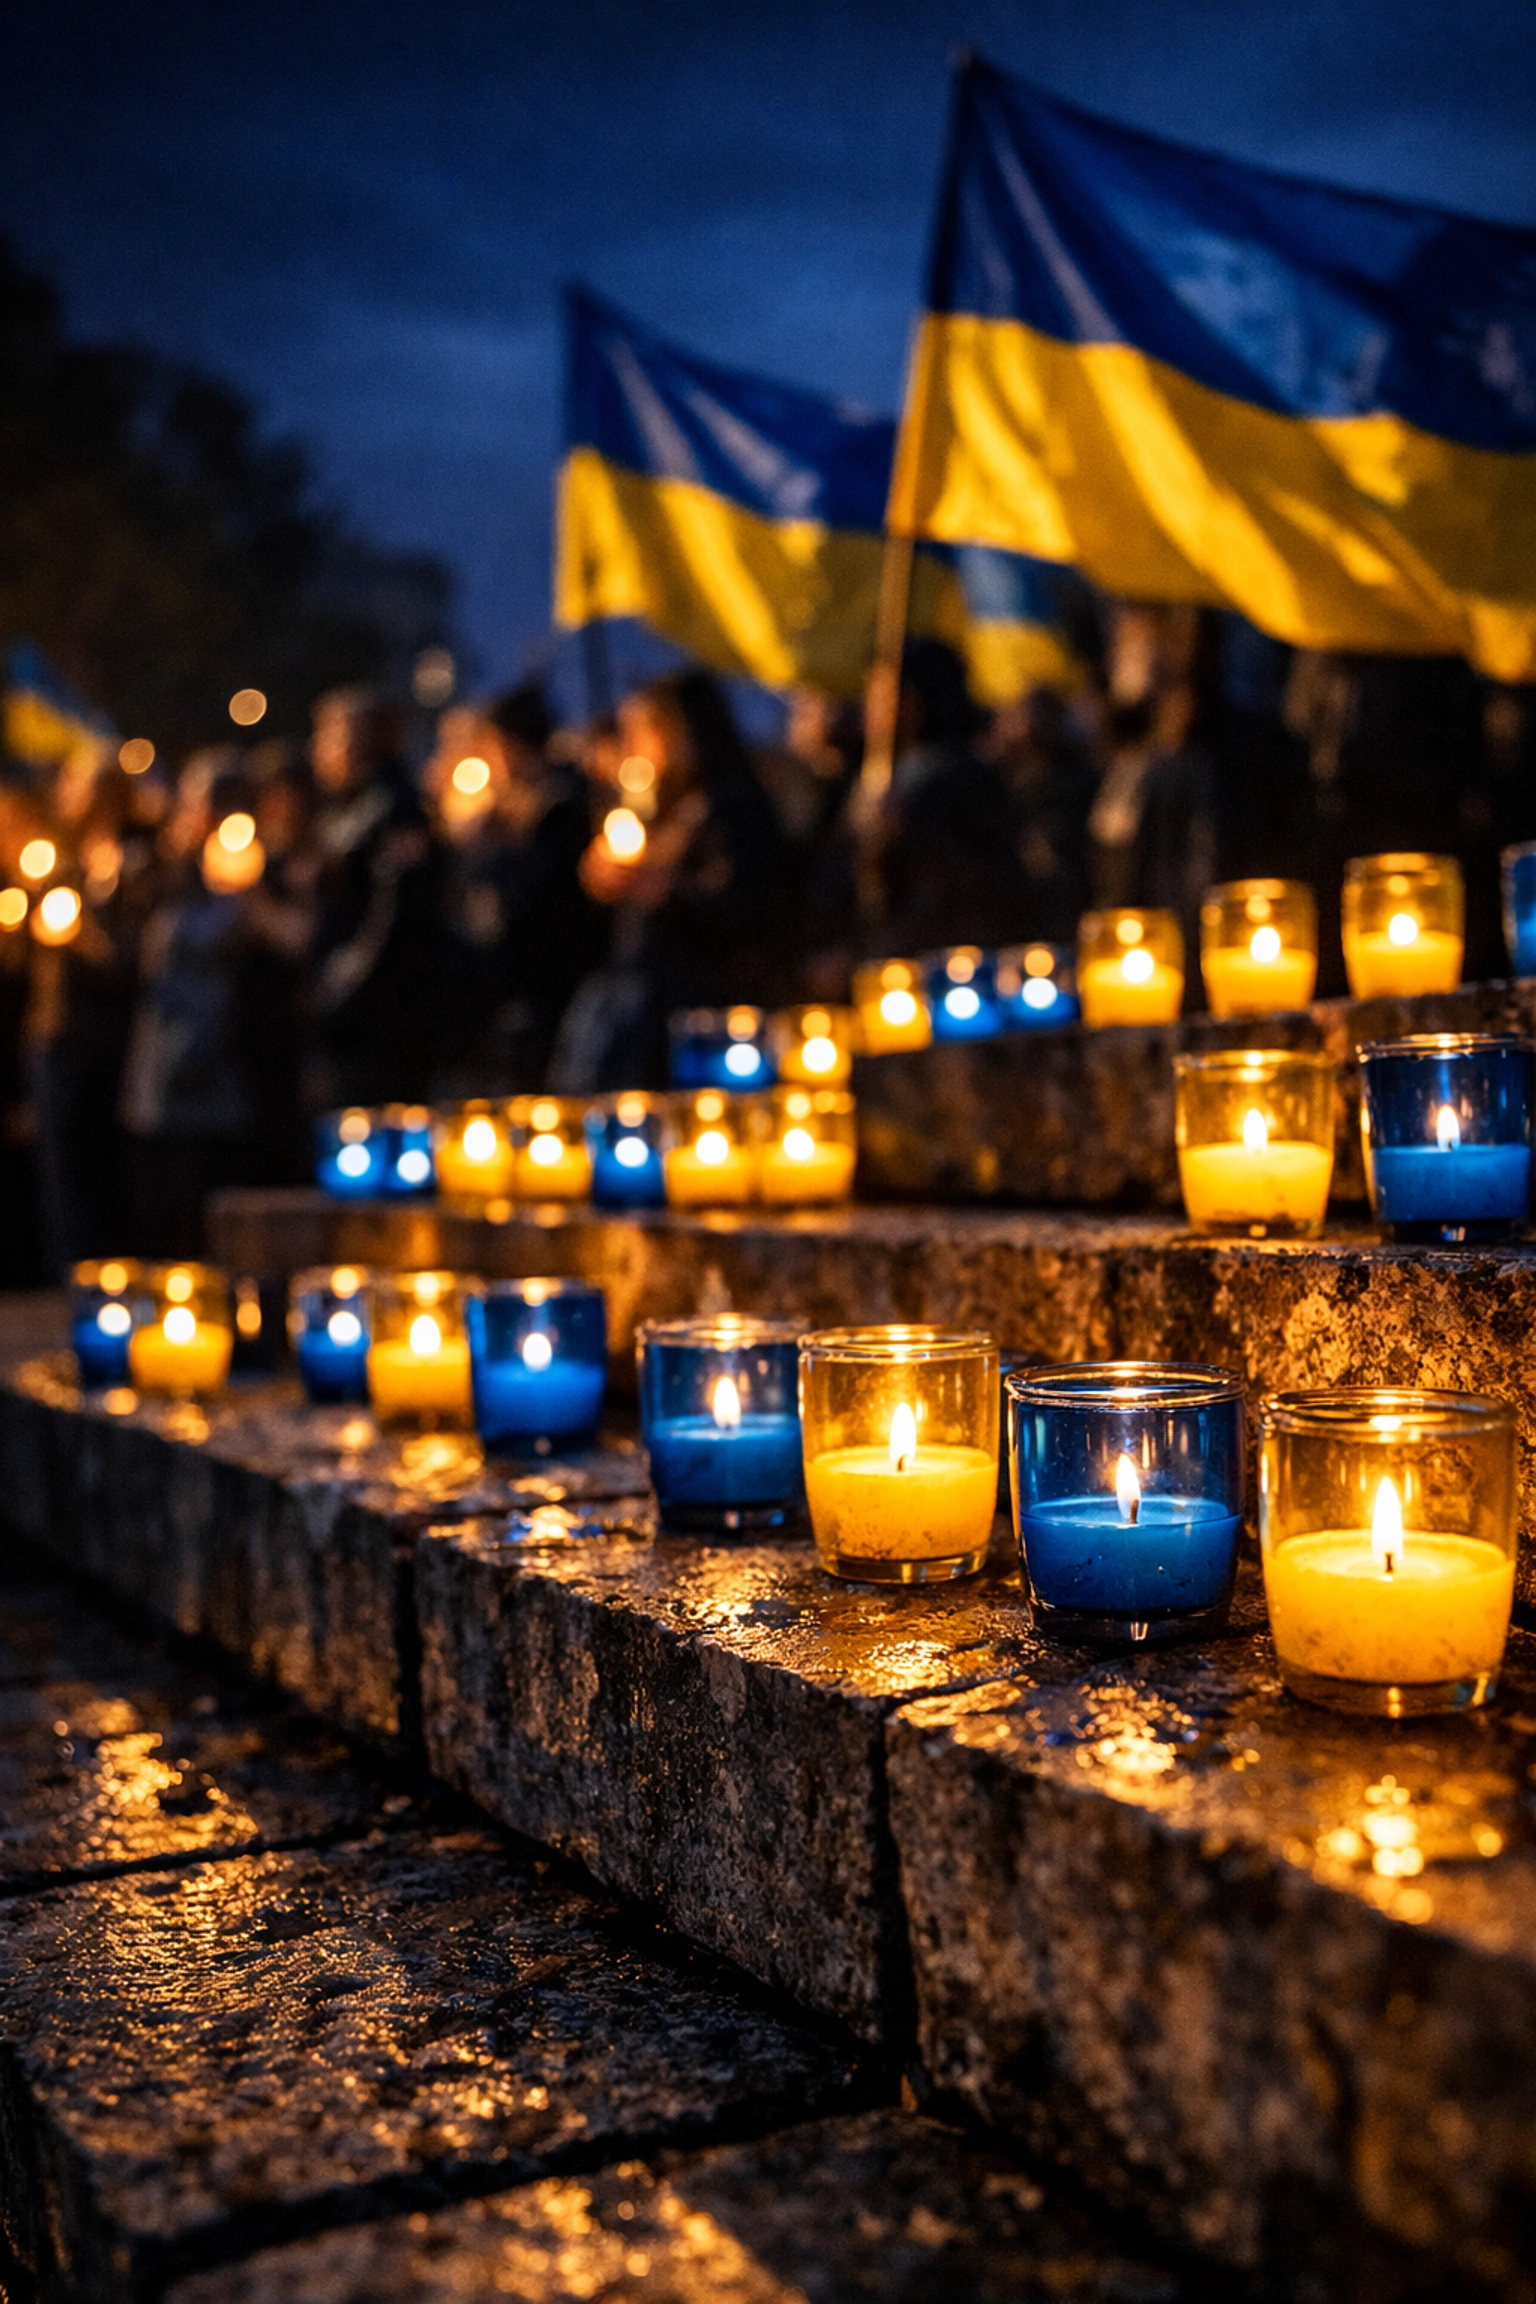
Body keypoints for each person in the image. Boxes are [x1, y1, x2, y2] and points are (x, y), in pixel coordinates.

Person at [550, 669, 790, 1090]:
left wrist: (659, 889)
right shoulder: (663, 812)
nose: (634, 749)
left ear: (683, 732)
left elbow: (747, 912)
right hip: (637, 1005)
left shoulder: (733, 808)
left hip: (700, 1014)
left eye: (645, 732)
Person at [432, 683, 604, 1093]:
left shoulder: (561, 806)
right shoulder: (515, 808)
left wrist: (490, 853)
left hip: (552, 985)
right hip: (516, 989)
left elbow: (536, 901)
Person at [305, 686, 439, 1108]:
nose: (318, 750)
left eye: (328, 736)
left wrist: (346, 982)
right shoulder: (352, 806)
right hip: (356, 1004)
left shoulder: (395, 807)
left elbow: (396, 911)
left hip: (379, 1012)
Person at [875, 639, 1027, 954]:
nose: (871, 704)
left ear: (915, 700)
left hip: (944, 955)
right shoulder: (894, 772)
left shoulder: (946, 775)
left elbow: (972, 879)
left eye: (883, 691)